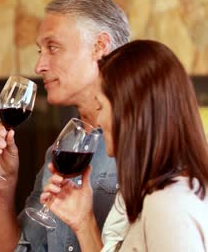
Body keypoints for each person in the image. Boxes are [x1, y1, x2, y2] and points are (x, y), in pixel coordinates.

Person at [0, 0, 130, 252]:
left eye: (53, 47)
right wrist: (2, 187)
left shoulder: (147, 142)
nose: (39, 66)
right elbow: (16, 249)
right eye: (40, 50)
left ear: (100, 47)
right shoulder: (61, 150)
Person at [42, 39, 208, 251]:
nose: (98, 121)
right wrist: (84, 222)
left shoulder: (167, 204)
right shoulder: (157, 194)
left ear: (130, 113)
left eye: (100, 106)